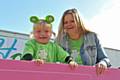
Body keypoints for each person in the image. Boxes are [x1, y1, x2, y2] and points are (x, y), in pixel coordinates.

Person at [55, 8, 111, 75]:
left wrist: (103, 63)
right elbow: (51, 59)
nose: (69, 24)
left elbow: (105, 59)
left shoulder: (93, 37)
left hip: (89, 75)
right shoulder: (59, 40)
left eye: (72, 21)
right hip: (67, 76)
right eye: (65, 22)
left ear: (79, 22)